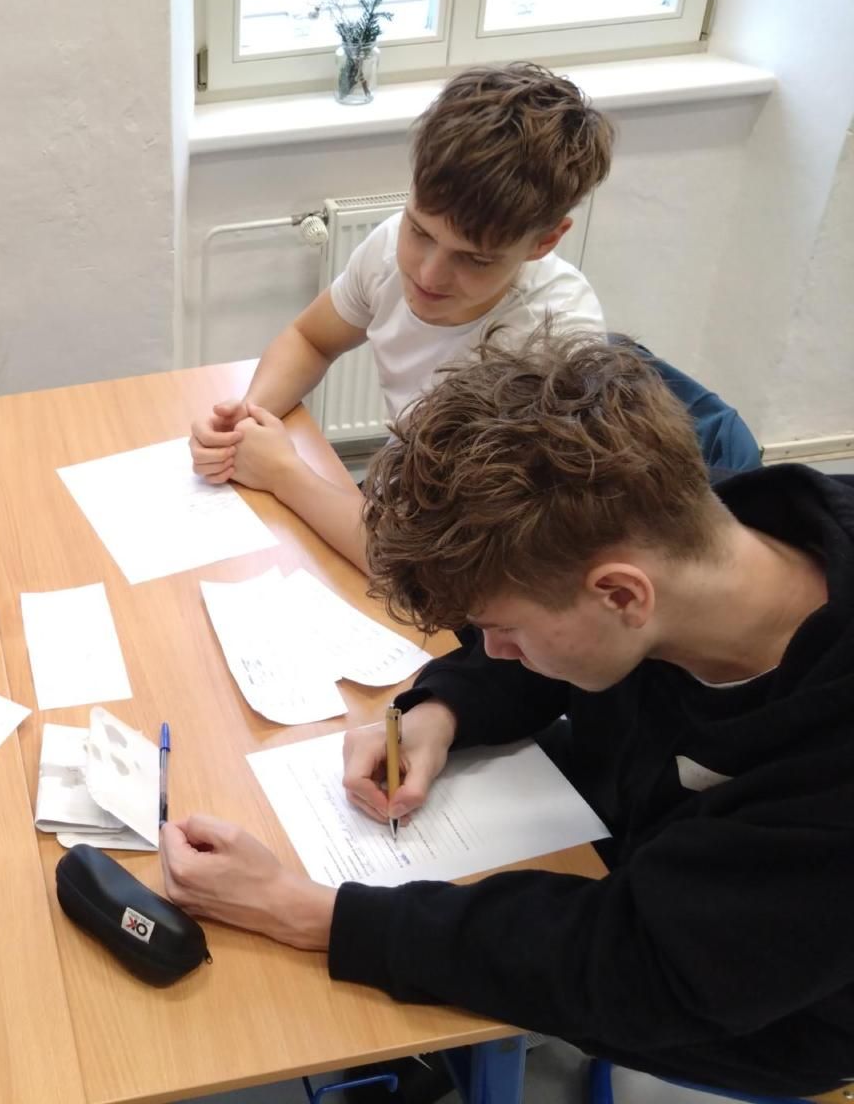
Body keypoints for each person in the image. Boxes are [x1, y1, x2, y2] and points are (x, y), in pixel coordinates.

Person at [162, 330, 854, 1095]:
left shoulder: (830, 776)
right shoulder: (683, 533)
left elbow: (637, 968)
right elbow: (561, 644)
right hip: (640, 843)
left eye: (506, 631)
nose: (493, 650)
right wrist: (442, 709)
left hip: (762, 1003)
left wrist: (313, 914)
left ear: (622, 594)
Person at [188, 63, 613, 572]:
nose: (428, 274)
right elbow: (311, 339)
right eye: (420, 231)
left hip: (467, 566)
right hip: (399, 503)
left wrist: (283, 473)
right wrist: (247, 424)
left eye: (474, 259)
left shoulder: (549, 351)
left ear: (545, 241)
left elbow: (419, 563)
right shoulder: (390, 246)